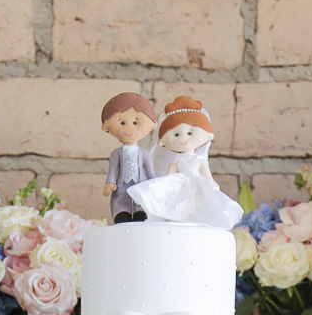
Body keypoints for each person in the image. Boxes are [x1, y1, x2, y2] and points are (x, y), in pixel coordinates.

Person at [126, 96, 243, 229]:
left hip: (197, 185)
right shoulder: (176, 160)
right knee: (177, 207)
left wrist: (211, 183)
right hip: (179, 186)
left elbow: (207, 175)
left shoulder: (199, 159)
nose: (183, 139)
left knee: (199, 205)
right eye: (176, 134)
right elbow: (170, 176)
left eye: (190, 133)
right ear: (163, 142)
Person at [101, 92, 158, 224]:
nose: (129, 128)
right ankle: (122, 212)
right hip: (121, 184)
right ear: (106, 126)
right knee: (121, 197)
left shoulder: (145, 154)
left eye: (135, 122)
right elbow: (112, 170)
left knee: (141, 198)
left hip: (141, 184)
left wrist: (154, 185)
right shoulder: (116, 153)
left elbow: (150, 172)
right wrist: (110, 182)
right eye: (122, 123)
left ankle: (141, 211)